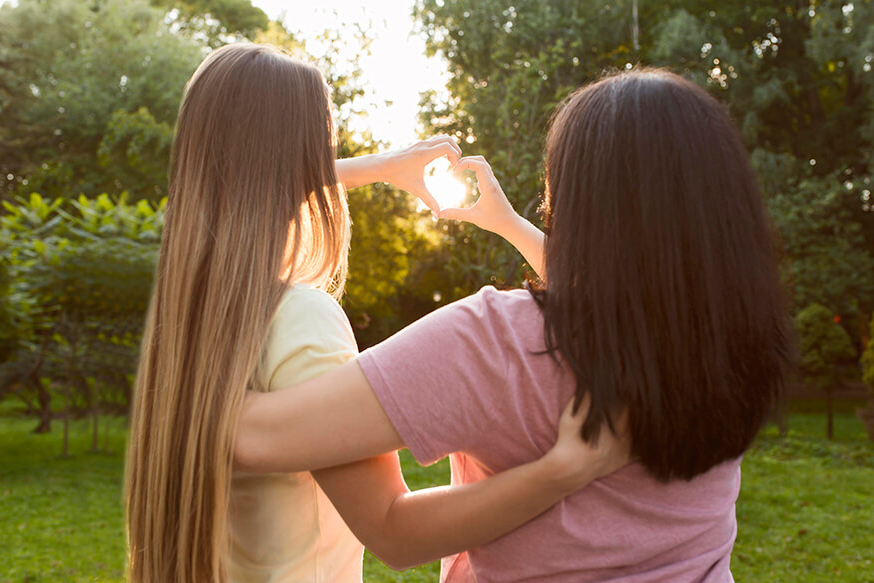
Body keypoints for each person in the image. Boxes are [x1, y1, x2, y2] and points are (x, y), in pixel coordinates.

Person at [236, 68, 792, 582]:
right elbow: (621, 291)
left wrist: (382, 167)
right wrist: (506, 224)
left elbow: (251, 436)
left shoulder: (500, 343)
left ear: (576, 199)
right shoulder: (726, 334)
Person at [123, 42, 629, 583]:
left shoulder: (186, 318)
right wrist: (562, 471)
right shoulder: (299, 318)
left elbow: (225, 186)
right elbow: (397, 528)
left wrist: (388, 167)